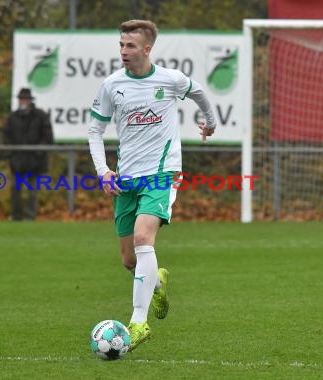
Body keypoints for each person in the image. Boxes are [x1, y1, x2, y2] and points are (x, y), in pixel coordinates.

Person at [87, 19, 217, 351]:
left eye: (130, 46)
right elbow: (95, 131)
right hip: (126, 179)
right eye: (121, 45)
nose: (123, 51)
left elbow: (201, 93)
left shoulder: (170, 79)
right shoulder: (112, 85)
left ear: (147, 49)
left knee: (145, 237)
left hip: (162, 173)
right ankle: (156, 282)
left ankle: (138, 323)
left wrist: (210, 122)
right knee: (129, 260)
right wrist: (104, 172)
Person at [2, 88, 54, 221]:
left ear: (30, 101)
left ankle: (30, 216)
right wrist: (11, 155)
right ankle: (16, 216)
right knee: (15, 190)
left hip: (34, 163)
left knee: (32, 192)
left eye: (25, 99)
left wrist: (37, 154)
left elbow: (47, 138)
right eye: (21, 99)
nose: (22, 102)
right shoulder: (12, 117)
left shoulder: (41, 116)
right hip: (17, 162)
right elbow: (6, 137)